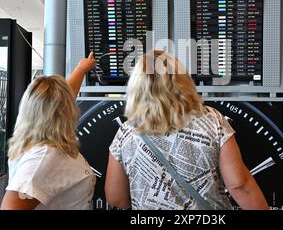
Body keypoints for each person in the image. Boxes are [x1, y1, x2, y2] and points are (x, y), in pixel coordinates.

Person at [105, 50, 269, 210]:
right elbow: (239, 185)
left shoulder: (126, 133)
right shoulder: (212, 121)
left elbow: (116, 197)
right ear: (182, 81)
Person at [0, 52, 96, 210]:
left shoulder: (32, 134)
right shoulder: (44, 157)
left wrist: (81, 69)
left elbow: (60, 101)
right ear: (66, 112)